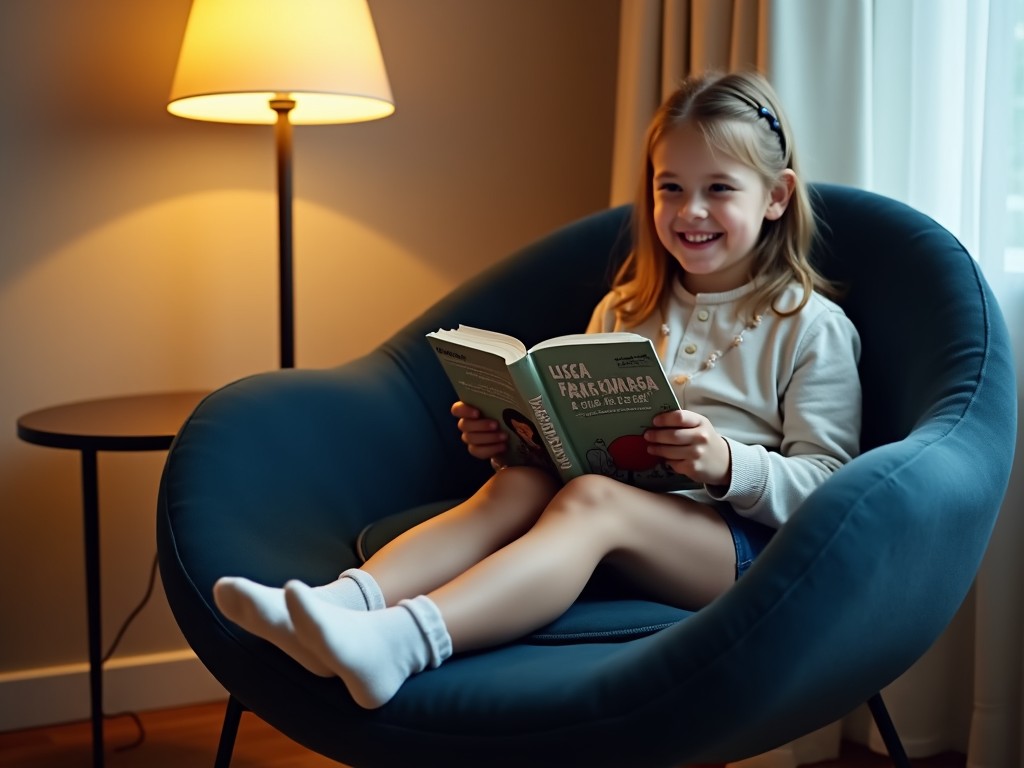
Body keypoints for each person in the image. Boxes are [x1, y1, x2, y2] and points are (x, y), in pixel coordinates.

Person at [212, 71, 862, 710]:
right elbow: (578, 449)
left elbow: (833, 485)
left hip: (736, 550)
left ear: (776, 196)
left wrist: (727, 464)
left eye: (719, 188)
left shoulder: (809, 326)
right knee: (520, 484)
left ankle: (403, 643)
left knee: (593, 500)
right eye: (671, 187)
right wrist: (514, 440)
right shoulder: (625, 308)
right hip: (611, 516)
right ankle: (340, 603)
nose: (691, 211)